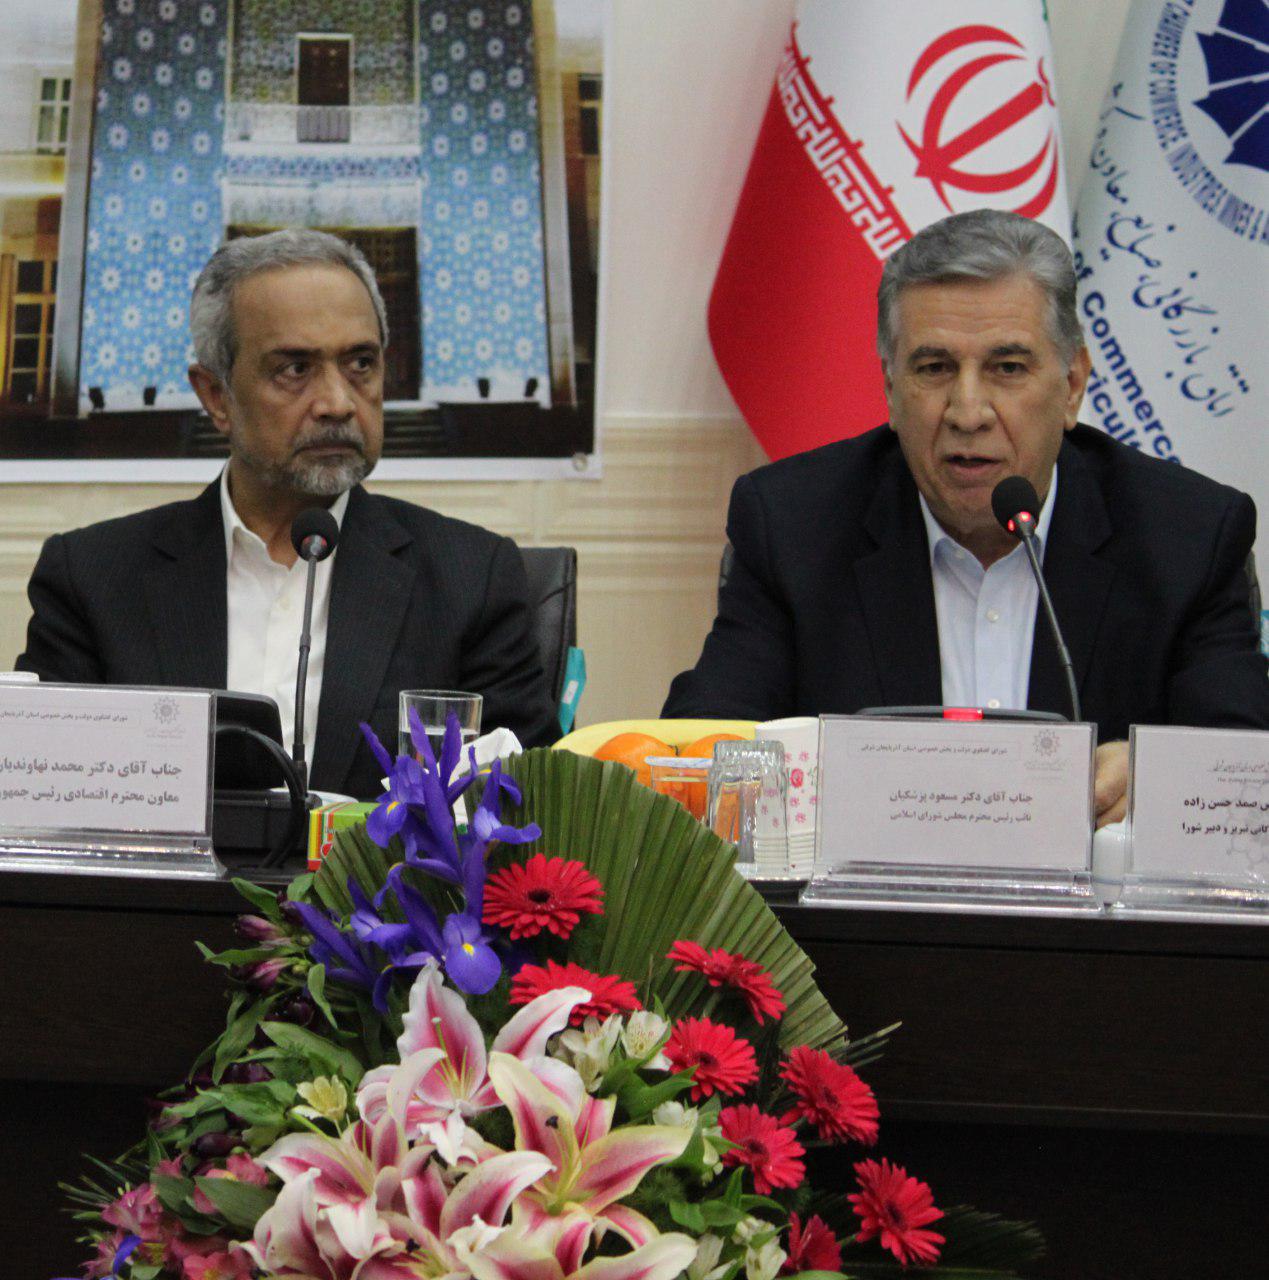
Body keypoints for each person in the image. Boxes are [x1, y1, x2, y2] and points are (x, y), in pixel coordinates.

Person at [664, 209, 1269, 828]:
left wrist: (1158, 779)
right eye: (935, 369)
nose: (968, 412)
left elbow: (1246, 772)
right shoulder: (794, 524)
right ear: (890, 387)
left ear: (1072, 385)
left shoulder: (1187, 536)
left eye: (1008, 368)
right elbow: (705, 745)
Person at [16, 229, 558, 798]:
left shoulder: (471, 578)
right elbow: (44, 802)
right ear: (216, 397)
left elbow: (533, 807)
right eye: (295, 369)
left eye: (361, 363)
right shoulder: (93, 578)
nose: (337, 403)